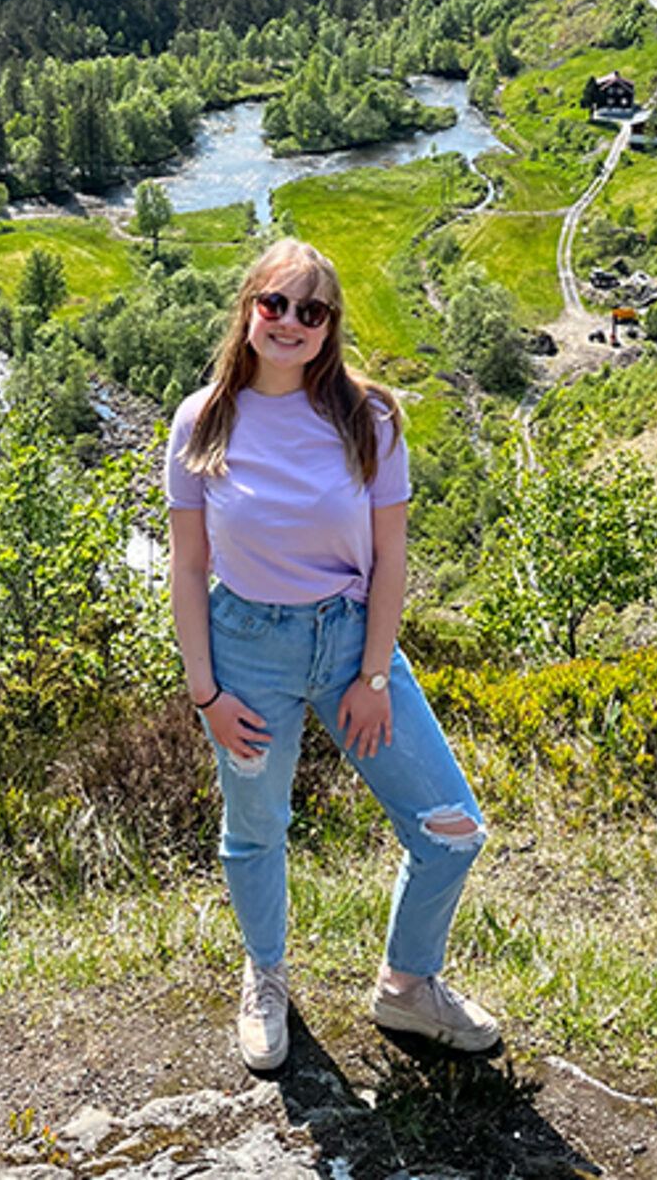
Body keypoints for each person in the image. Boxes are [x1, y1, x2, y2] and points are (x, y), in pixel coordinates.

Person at [165, 237, 497, 1072]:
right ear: (247, 309)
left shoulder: (370, 416)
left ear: (330, 325)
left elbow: (392, 559)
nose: (289, 322)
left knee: (451, 827)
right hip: (246, 650)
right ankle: (266, 975)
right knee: (255, 829)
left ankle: (407, 986)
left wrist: (374, 674)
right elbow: (190, 564)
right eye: (274, 303)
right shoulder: (202, 418)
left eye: (310, 310)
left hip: (351, 640)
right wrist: (206, 691)